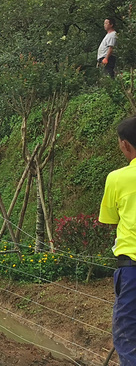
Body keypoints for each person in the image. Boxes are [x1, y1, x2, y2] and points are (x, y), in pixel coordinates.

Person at [98, 116, 136, 365]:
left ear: (125, 145)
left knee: (128, 337)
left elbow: (110, 220)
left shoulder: (118, 178)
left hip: (132, 268)